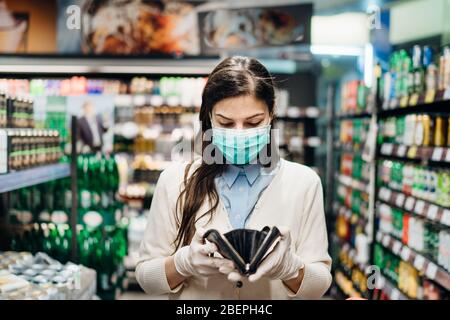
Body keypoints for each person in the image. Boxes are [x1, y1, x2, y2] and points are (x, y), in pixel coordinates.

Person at [136, 56, 332, 299]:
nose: (239, 134)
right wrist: (183, 263)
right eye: (226, 123)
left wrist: (291, 268)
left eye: (253, 122)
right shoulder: (175, 181)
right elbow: (146, 277)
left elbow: (320, 283)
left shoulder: (304, 183)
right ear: (208, 117)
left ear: (271, 113)